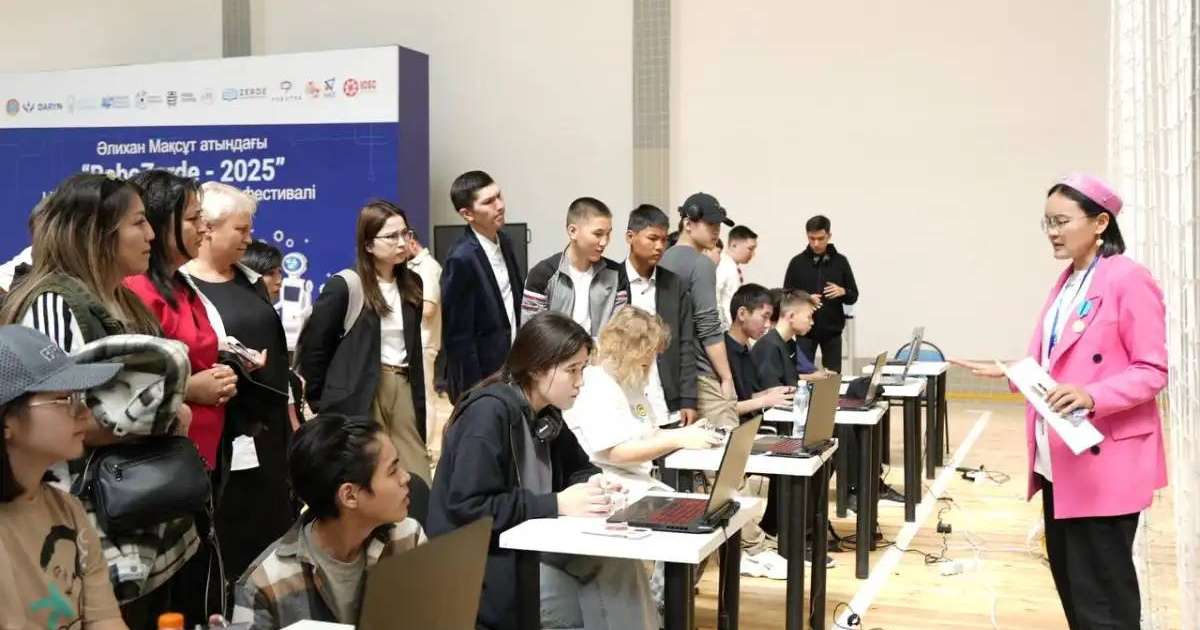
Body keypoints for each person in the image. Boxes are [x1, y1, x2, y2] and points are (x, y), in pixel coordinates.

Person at [953, 173, 1166, 629]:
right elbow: (1059, 361)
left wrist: (1092, 395)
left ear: (1100, 222)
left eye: (1062, 221)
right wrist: (1015, 371)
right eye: (1047, 222)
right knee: (1074, 589)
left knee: (1103, 601)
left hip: (1103, 461)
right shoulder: (1068, 281)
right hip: (1062, 459)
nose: (1052, 232)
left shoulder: (1128, 279)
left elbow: (1152, 370)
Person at [0, 173, 200, 625]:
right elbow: (51, 414)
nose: (151, 235)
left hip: (141, 514)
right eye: (138, 223)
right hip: (91, 511)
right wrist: (162, 418)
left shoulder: (124, 300)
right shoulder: (54, 304)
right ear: (97, 231)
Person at [428, 312, 657, 630]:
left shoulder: (546, 413)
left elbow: (579, 468)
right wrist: (557, 504)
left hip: (526, 546)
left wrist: (595, 482)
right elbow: (470, 506)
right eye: (571, 371)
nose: (580, 382)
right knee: (585, 599)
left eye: (582, 370)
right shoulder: (487, 415)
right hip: (480, 564)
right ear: (536, 368)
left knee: (620, 566)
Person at [124, 171, 238, 622]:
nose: (203, 228)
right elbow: (129, 379)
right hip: (160, 467)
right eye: (192, 219)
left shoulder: (181, 284)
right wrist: (193, 387)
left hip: (199, 463)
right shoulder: (137, 290)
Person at [182, 182, 296, 587]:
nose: (249, 240)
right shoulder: (183, 288)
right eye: (241, 230)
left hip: (270, 434)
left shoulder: (250, 281)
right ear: (208, 228)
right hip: (224, 436)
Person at [232, 414, 426, 628]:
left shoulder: (408, 539)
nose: (406, 477)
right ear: (349, 496)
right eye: (392, 470)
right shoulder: (267, 582)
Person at [0, 325, 128, 630]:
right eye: (63, 400)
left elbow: (104, 619)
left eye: (78, 397)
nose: (85, 413)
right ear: (6, 422)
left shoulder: (68, 509)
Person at [297, 200, 430, 485]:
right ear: (368, 245)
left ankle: (414, 513)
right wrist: (321, 399)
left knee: (416, 469)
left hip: (403, 382)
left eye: (405, 233)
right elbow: (316, 347)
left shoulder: (413, 284)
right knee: (366, 470)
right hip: (361, 385)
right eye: (391, 236)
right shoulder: (346, 285)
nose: (402, 242)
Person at [564, 306, 721, 496]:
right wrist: (679, 439)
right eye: (646, 360)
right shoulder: (596, 385)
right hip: (610, 483)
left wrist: (688, 432)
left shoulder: (629, 380)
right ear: (629, 352)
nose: (650, 365)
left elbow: (650, 434)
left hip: (637, 480)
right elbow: (616, 453)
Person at [441, 170, 524, 403]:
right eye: (488, 202)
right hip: (483, 375)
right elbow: (458, 337)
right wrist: (474, 392)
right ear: (467, 214)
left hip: (513, 363)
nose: (500, 205)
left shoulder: (505, 241)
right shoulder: (461, 258)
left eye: (499, 196)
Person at [658, 192, 738, 427]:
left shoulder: (662, 260)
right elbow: (708, 325)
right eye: (710, 224)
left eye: (719, 226)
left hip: (668, 373)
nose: (716, 231)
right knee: (727, 443)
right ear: (688, 223)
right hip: (700, 372)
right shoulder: (701, 264)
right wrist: (726, 376)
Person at [624, 204, 697, 426]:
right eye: (652, 238)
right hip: (625, 394)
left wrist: (688, 399)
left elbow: (686, 343)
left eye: (664, 240)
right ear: (630, 237)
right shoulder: (611, 281)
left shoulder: (674, 285)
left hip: (666, 395)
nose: (659, 246)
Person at [522, 197, 629, 336]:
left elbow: (619, 334)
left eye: (608, 234)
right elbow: (531, 335)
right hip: (556, 350)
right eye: (598, 234)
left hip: (602, 350)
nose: (604, 242)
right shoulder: (542, 274)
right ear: (572, 231)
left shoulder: (616, 274)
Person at [783, 215, 859, 373]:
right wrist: (805, 299)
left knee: (833, 376)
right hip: (804, 331)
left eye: (820, 238)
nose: (816, 243)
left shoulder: (841, 262)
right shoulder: (797, 263)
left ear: (829, 236)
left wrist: (843, 291)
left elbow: (853, 296)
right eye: (812, 238)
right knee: (802, 375)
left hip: (832, 332)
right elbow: (785, 295)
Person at [405, 230, 444, 456]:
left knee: (425, 396)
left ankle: (425, 448)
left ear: (412, 240)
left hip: (424, 341)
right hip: (411, 343)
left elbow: (428, 308)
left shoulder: (428, 267)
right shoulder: (409, 267)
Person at [716, 225, 757, 330]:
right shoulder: (723, 265)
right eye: (750, 249)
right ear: (734, 245)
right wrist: (722, 328)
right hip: (724, 328)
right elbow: (715, 296)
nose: (753, 254)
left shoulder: (732, 266)